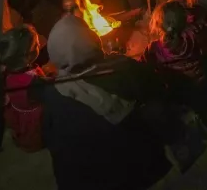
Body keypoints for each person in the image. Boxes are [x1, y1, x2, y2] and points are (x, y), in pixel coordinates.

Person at [40, 15, 169, 190]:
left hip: (75, 181)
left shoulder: (51, 91)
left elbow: (50, 137)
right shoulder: (122, 69)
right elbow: (157, 86)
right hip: (125, 172)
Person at [0, 24, 47, 152]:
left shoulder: (7, 72)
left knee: (21, 128)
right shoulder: (33, 82)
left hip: (17, 111)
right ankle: (33, 144)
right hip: (33, 117)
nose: (39, 45)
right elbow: (47, 94)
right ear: (28, 55)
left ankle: (21, 138)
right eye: (37, 45)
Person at [143, 0, 207, 88]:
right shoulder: (195, 31)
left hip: (179, 87)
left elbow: (146, 66)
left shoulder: (154, 48)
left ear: (158, 25)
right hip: (200, 80)